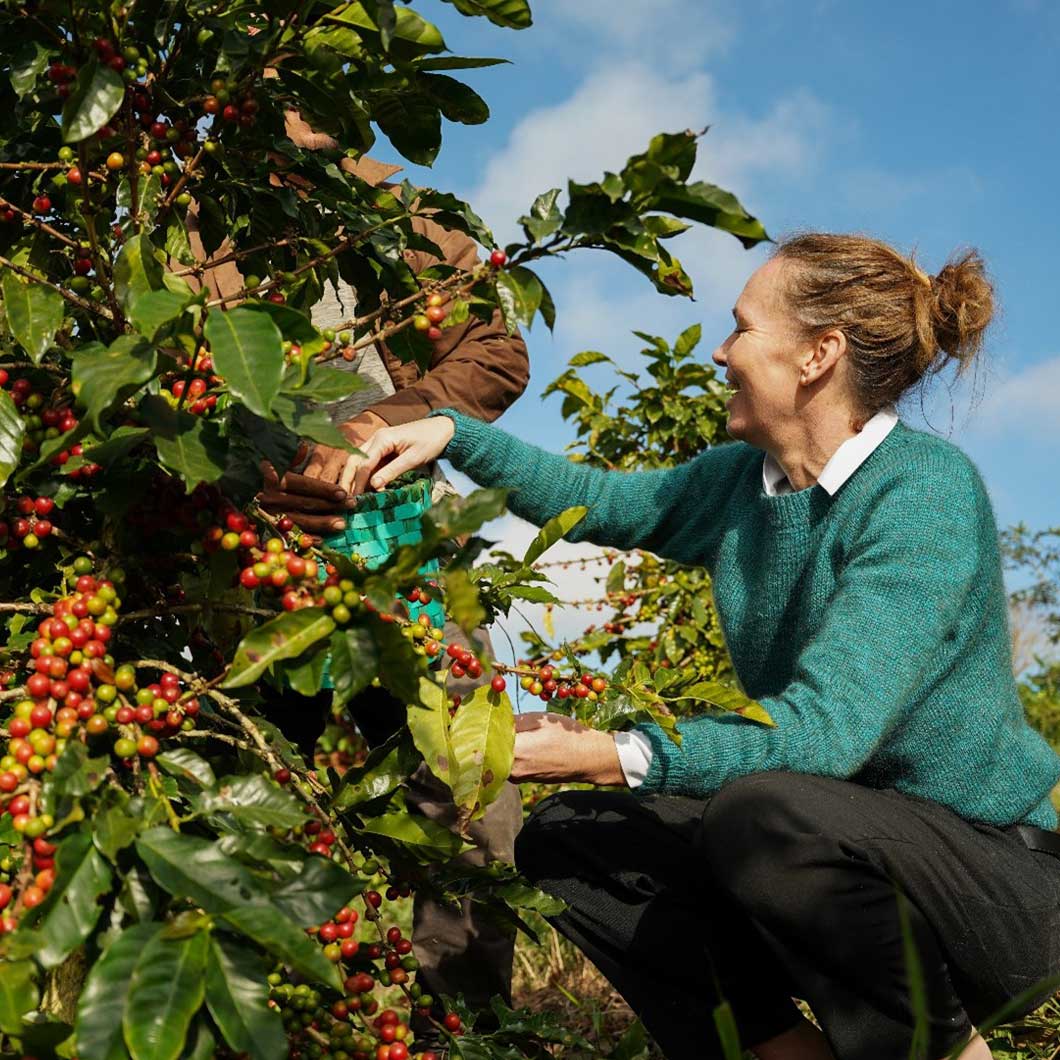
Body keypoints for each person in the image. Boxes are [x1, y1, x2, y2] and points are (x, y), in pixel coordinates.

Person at [338, 232, 1060, 1060]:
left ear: (818, 355)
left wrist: (607, 751)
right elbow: (597, 500)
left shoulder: (921, 491)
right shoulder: (741, 485)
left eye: (742, 328)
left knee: (764, 812)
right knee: (572, 835)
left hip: (994, 890)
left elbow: (824, 735)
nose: (721, 351)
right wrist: (449, 431)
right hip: (842, 858)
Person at [187, 113, 530, 1036]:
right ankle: (269, 1027)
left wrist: (382, 425)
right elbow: (160, 395)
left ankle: (465, 1034)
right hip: (256, 565)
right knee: (262, 791)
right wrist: (254, 479)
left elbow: (496, 353)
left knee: (465, 791)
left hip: (406, 547)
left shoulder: (411, 217)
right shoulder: (188, 228)